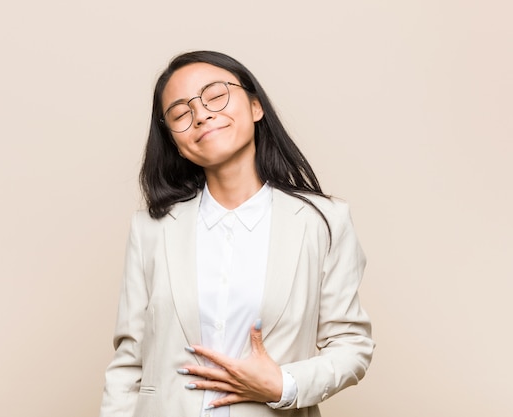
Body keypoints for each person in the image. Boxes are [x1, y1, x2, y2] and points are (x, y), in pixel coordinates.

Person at [99, 50, 374, 417]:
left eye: (215, 96)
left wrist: (283, 384)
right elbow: (129, 363)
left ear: (256, 106)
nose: (201, 115)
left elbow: (352, 344)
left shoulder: (323, 221)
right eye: (181, 113)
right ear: (174, 141)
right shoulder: (151, 229)